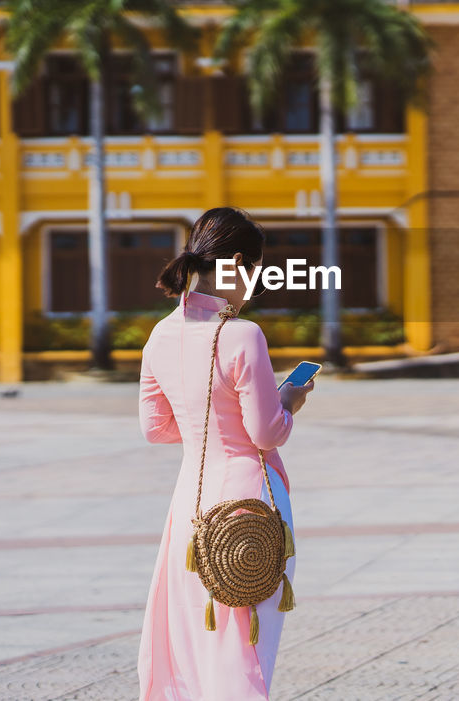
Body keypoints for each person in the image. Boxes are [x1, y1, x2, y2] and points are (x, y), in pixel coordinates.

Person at [137, 207, 313, 700]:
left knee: (196, 641)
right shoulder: (241, 335)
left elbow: (155, 428)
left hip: (188, 512)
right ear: (238, 262)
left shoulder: (160, 335)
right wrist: (288, 401)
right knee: (244, 647)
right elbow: (266, 433)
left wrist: (204, 427)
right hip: (248, 505)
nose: (253, 289)